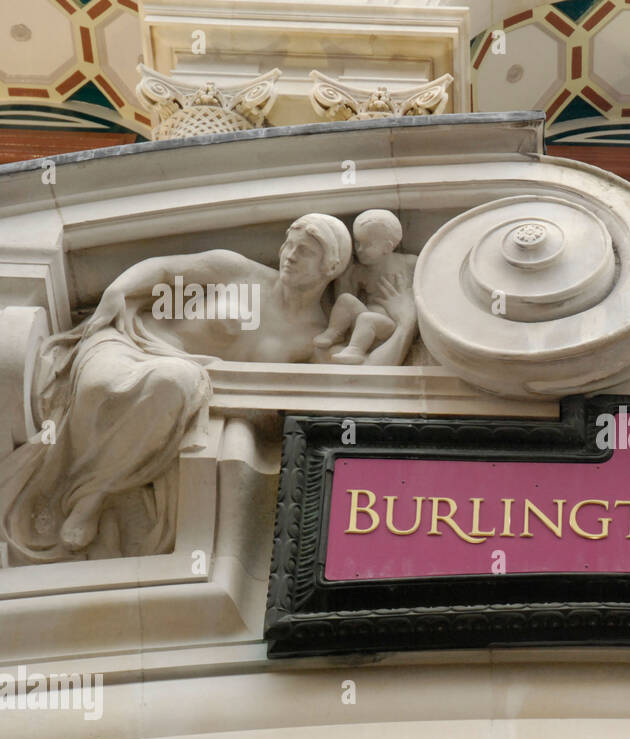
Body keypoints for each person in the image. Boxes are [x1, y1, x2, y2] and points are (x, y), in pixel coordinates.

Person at [0, 213, 415, 564]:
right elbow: (164, 271)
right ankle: (67, 479)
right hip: (131, 343)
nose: (289, 255)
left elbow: (358, 382)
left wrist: (406, 322)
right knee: (110, 385)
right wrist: (116, 291)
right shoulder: (238, 270)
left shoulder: (315, 337)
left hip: (178, 382)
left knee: (172, 383)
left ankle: (91, 495)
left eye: (305, 251)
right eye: (290, 244)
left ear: (332, 267)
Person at [315, 210, 417, 364]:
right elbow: (344, 297)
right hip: (366, 317)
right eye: (357, 242)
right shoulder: (359, 271)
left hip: (388, 324)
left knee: (366, 318)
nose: (359, 249)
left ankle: (355, 349)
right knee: (346, 300)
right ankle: (335, 332)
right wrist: (345, 276)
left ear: (388, 247)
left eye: (367, 244)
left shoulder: (409, 263)